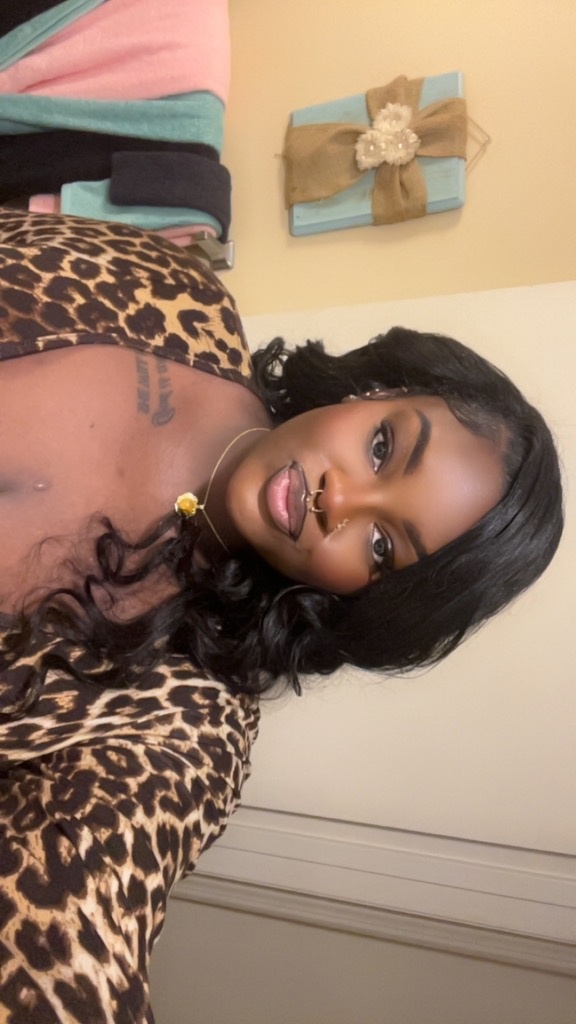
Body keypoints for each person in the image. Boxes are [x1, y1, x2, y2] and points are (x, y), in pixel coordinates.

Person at [0, 211, 563, 1022]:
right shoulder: (176, 292)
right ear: (374, 393)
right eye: (382, 448)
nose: (342, 500)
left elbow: (70, 939)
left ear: (361, 595)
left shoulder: (184, 733)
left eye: (381, 545)